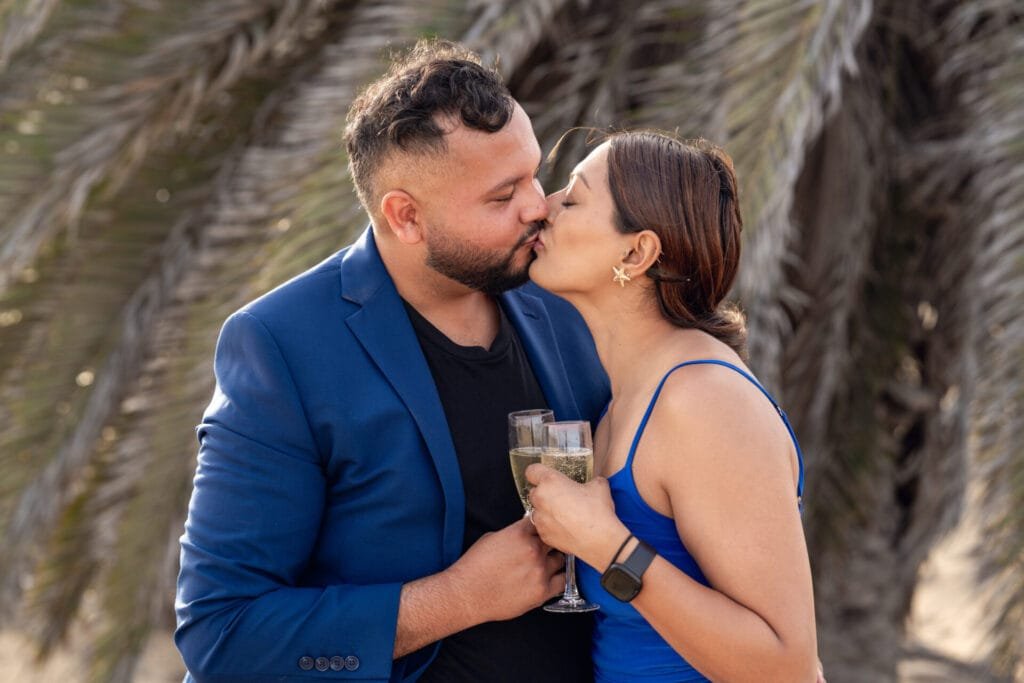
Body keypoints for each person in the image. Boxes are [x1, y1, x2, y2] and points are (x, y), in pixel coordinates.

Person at [174, 40, 609, 682]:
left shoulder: (568, 299)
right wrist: (457, 600)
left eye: (534, 175)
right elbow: (223, 634)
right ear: (405, 216)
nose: (537, 206)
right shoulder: (282, 345)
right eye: (501, 195)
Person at [526, 131, 819, 682]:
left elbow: (788, 667)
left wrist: (607, 545)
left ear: (636, 253)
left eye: (573, 198)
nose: (544, 207)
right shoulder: (627, 394)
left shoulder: (704, 402)